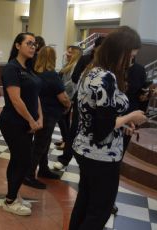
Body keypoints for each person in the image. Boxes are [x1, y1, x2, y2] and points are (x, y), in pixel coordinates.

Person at [69, 26, 147, 229]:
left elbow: (101, 114)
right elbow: (102, 127)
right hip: (101, 154)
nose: (131, 62)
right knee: (99, 211)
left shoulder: (92, 70)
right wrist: (132, 116)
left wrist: (122, 123)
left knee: (85, 202)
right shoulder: (106, 78)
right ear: (119, 53)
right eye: (130, 57)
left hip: (85, 147)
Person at [0, 32, 42, 216]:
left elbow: (35, 96)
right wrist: (31, 120)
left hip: (27, 123)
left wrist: (40, 116)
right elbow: (16, 100)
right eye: (29, 43)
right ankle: (9, 201)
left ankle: (14, 195)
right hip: (14, 122)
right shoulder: (12, 68)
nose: (33, 47)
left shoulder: (29, 68)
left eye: (34, 44)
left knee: (18, 159)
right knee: (24, 160)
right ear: (17, 45)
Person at [53, 36, 105, 171]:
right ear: (95, 48)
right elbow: (75, 77)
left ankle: (90, 162)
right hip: (81, 99)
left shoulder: (108, 63)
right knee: (74, 129)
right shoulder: (86, 59)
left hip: (99, 103)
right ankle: (64, 159)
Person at [23, 46, 71, 190]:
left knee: (43, 143)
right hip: (49, 114)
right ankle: (29, 175)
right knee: (40, 145)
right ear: (52, 58)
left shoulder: (34, 73)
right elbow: (63, 97)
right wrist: (68, 105)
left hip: (37, 113)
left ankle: (43, 169)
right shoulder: (51, 75)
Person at [55, 46, 82, 150]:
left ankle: (67, 141)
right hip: (65, 95)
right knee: (64, 119)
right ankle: (65, 139)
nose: (67, 54)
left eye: (70, 53)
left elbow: (71, 84)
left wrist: (60, 91)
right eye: (67, 51)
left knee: (62, 119)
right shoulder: (68, 64)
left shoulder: (75, 66)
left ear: (76, 55)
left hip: (68, 96)